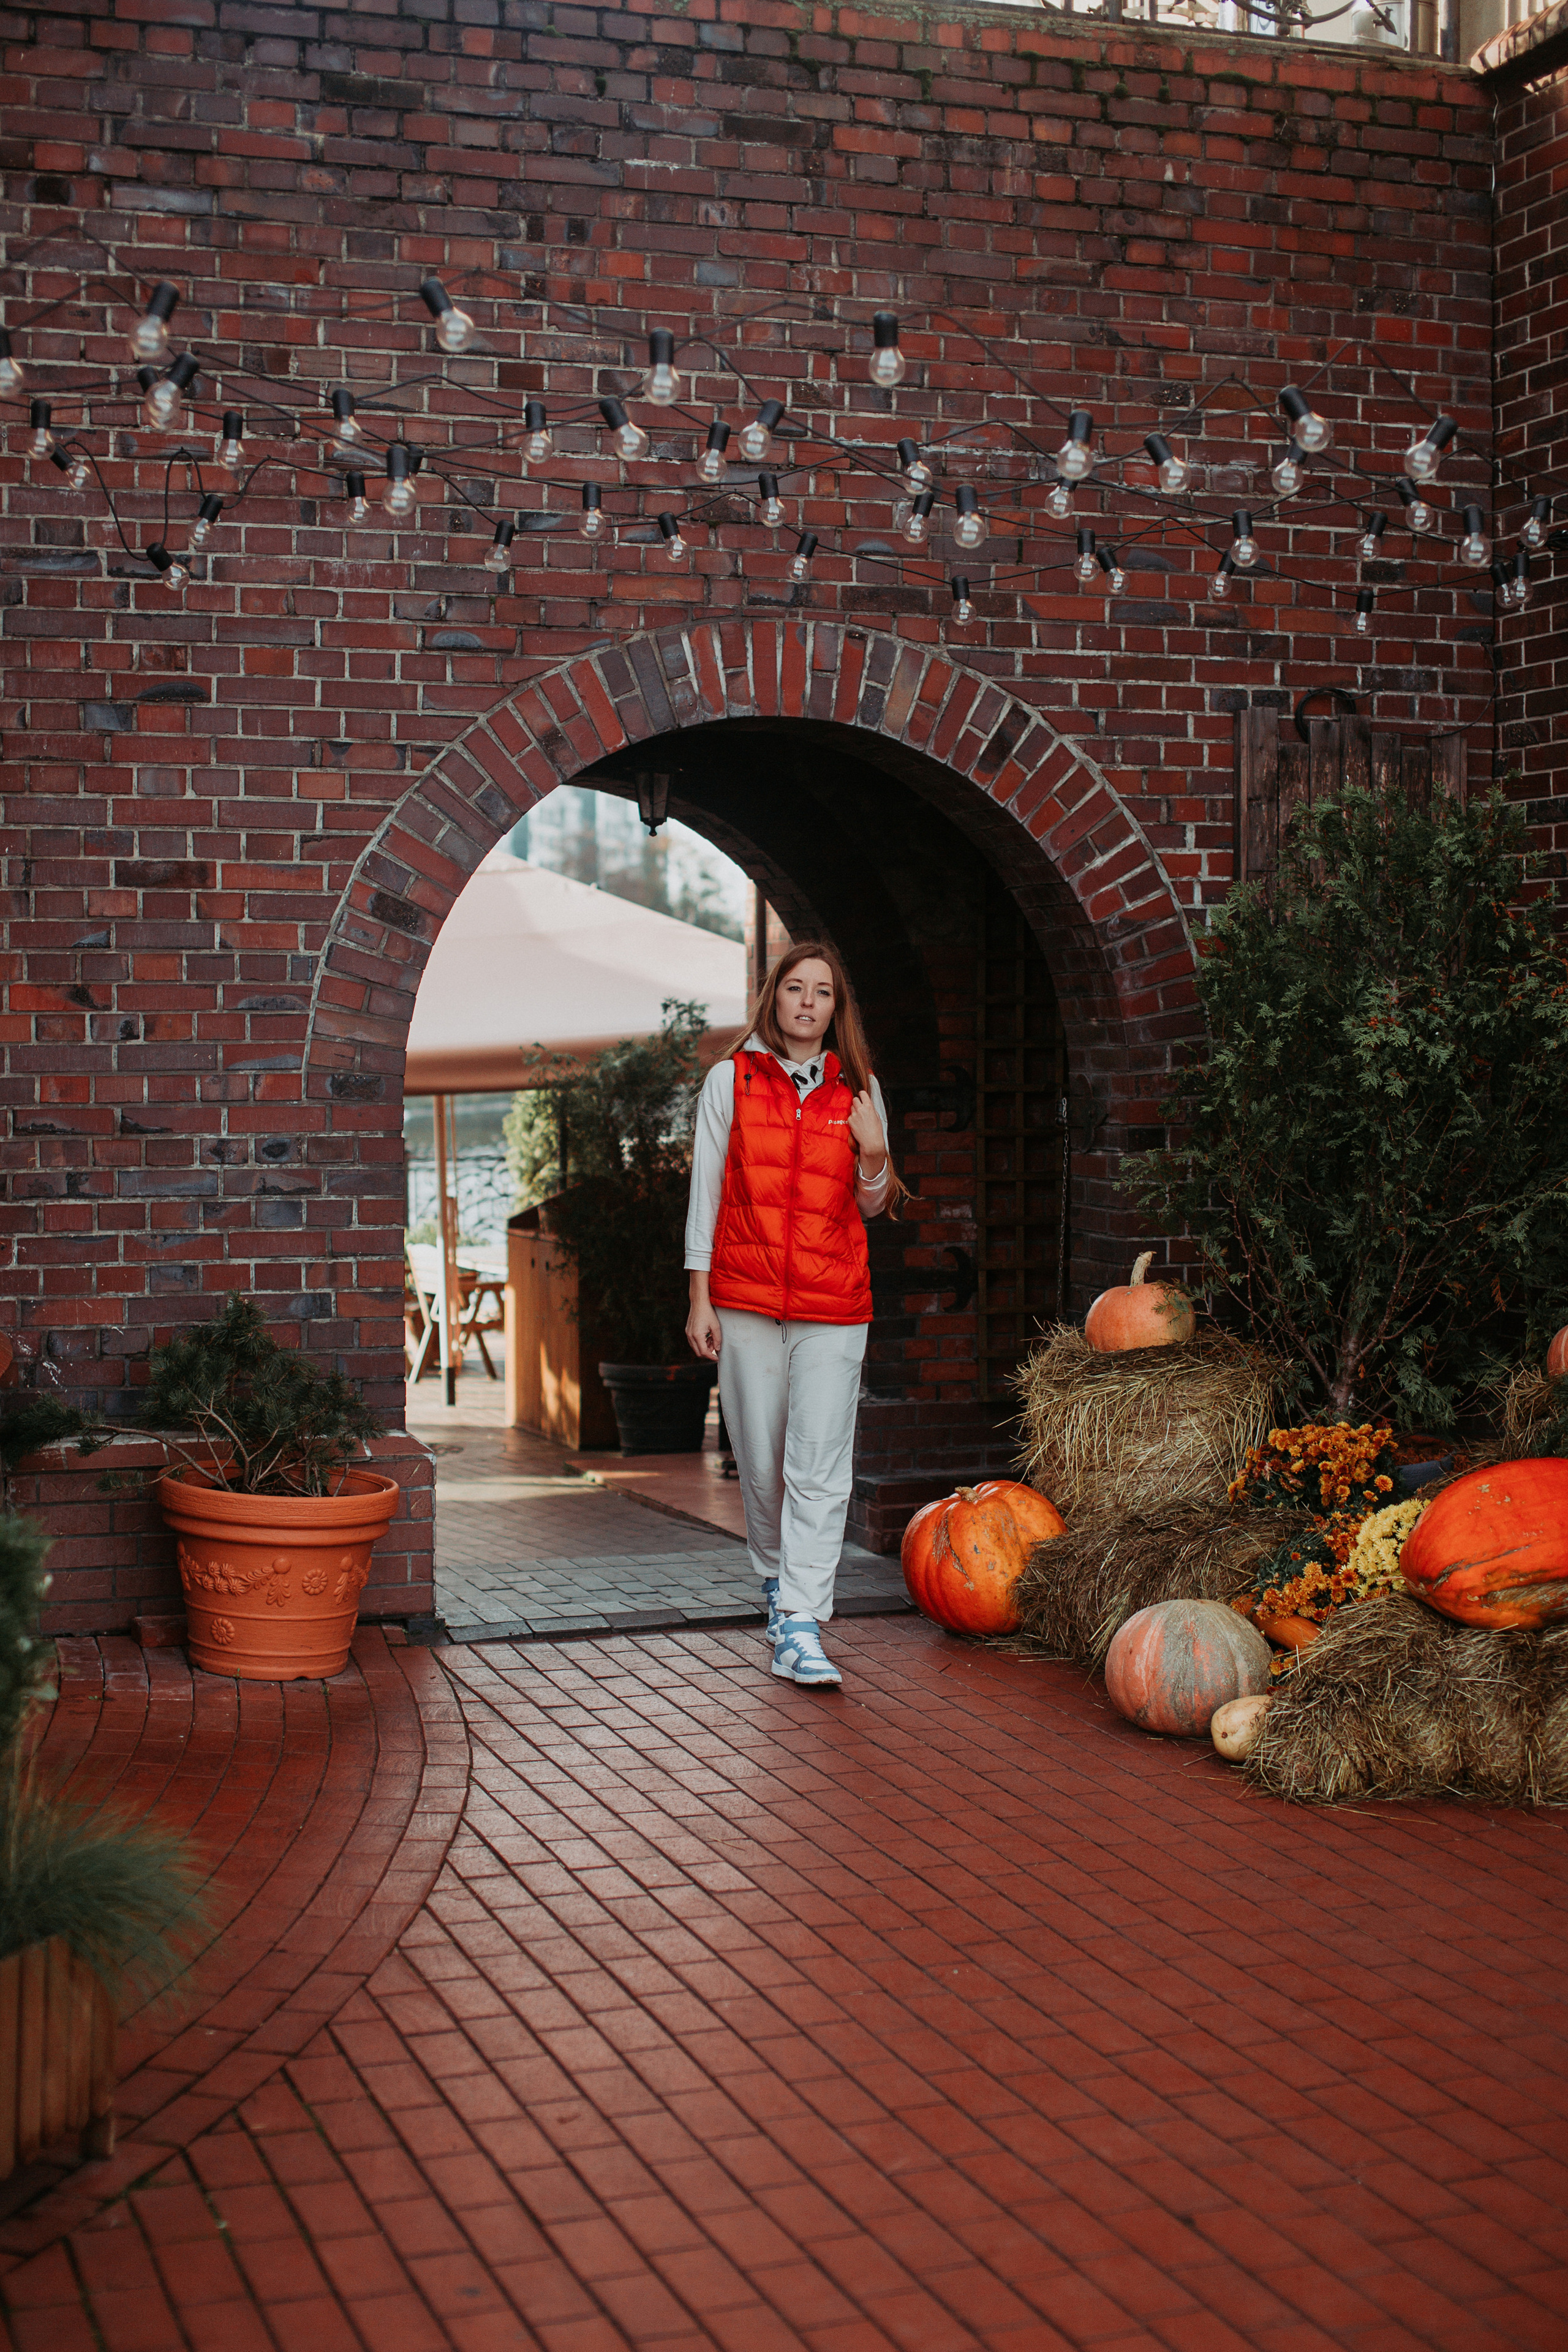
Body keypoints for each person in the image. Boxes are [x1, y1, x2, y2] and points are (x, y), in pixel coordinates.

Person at [684, 941, 903, 1688]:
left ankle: (804, 1621)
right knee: (762, 1460)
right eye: (795, 989)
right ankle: (777, 1580)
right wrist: (699, 1296)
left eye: (823, 993)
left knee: (819, 1465)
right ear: (773, 998)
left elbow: (871, 1203)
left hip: (833, 1303)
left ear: (836, 1010)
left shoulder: (860, 1090)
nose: (808, 1003)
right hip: (743, 1299)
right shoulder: (730, 1082)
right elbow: (706, 1193)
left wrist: (874, 1155)